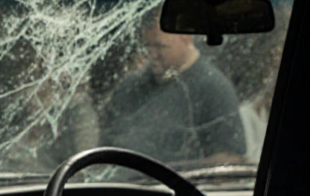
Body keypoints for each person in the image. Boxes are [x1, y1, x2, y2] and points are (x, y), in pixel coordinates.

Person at [100, 11, 246, 163]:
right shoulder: (130, 86)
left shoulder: (215, 89)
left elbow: (228, 160)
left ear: (186, 37)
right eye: (147, 46)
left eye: (160, 46)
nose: (152, 55)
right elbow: (105, 150)